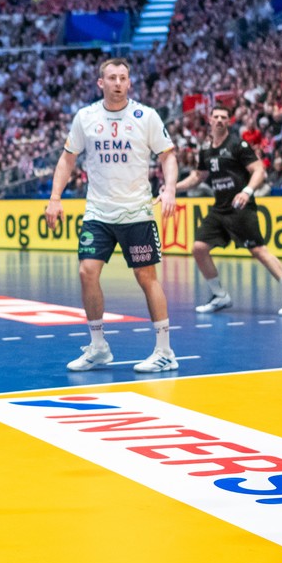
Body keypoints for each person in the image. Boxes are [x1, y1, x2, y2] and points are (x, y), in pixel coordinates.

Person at [46, 58, 180, 373]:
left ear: (129, 83)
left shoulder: (146, 116)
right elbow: (67, 159)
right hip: (98, 211)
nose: (118, 83)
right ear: (100, 83)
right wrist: (55, 197)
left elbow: (168, 156)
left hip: (136, 212)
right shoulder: (86, 117)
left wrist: (170, 188)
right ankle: (98, 347)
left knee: (146, 277)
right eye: (112, 77)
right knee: (86, 272)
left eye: (123, 77)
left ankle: (164, 351)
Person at [175, 105, 282, 316]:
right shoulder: (206, 149)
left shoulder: (238, 144)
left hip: (240, 207)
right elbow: (198, 176)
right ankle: (219, 296)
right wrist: (174, 187)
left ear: (228, 121)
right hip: (219, 209)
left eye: (224, 117)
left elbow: (259, 170)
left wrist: (246, 191)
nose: (219, 120)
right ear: (209, 120)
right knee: (199, 248)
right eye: (216, 116)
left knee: (258, 251)